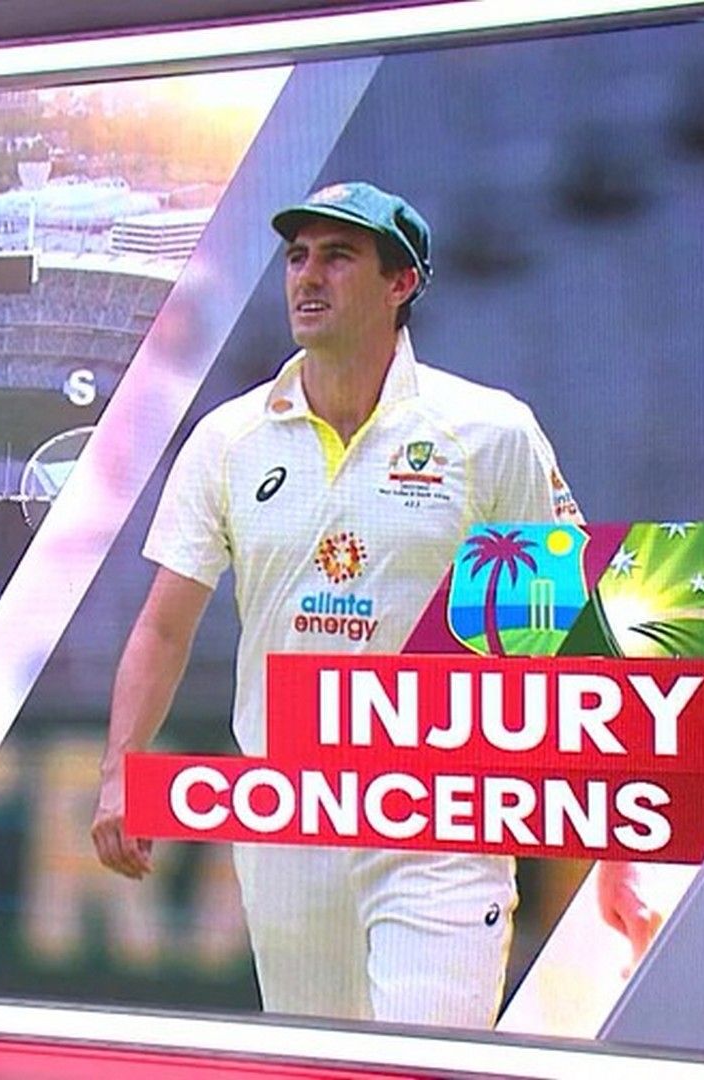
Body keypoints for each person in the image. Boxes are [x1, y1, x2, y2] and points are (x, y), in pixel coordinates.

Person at [91, 181, 659, 1027]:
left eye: (338, 257)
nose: (307, 276)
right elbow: (164, 627)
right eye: (297, 257)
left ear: (402, 283)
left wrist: (620, 848)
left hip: (443, 824)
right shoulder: (229, 439)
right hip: (289, 819)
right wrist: (119, 772)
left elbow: (571, 640)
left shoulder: (488, 432)